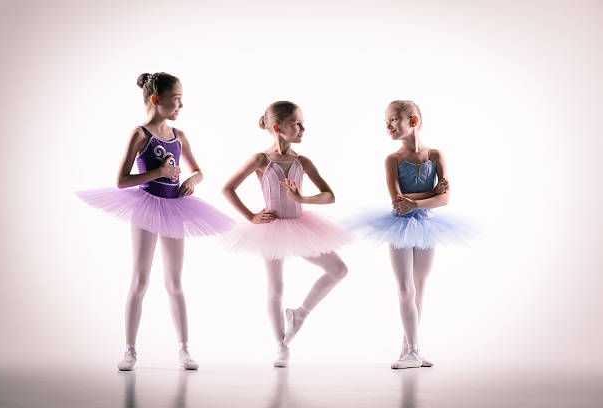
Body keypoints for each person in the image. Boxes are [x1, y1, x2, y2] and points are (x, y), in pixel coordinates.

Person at [76, 72, 233, 371]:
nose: (181, 105)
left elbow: (199, 171)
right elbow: (122, 181)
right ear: (155, 100)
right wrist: (158, 174)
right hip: (146, 205)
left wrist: (192, 181)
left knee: (175, 282)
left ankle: (185, 350)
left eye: (181, 100)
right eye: (176, 100)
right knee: (140, 279)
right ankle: (130, 350)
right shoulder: (140, 134)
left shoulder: (180, 136)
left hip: (175, 206)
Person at [221, 101, 351, 367]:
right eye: (297, 124)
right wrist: (251, 216)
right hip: (271, 227)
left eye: (302, 123)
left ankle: (300, 314)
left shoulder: (303, 162)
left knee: (338, 269)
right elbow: (228, 188)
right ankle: (281, 345)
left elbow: (330, 196)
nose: (303, 128)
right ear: (278, 128)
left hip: (301, 225)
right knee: (276, 287)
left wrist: (302, 197)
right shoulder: (260, 159)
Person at [349, 100, 469, 369]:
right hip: (399, 227)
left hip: (428, 225)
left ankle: (410, 350)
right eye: (386, 121)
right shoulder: (393, 159)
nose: (388, 125)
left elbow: (446, 200)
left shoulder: (436, 156)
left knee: (420, 289)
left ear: (412, 121)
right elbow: (398, 202)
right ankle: (412, 351)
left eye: (393, 119)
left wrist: (418, 202)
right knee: (405, 287)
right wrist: (430, 195)